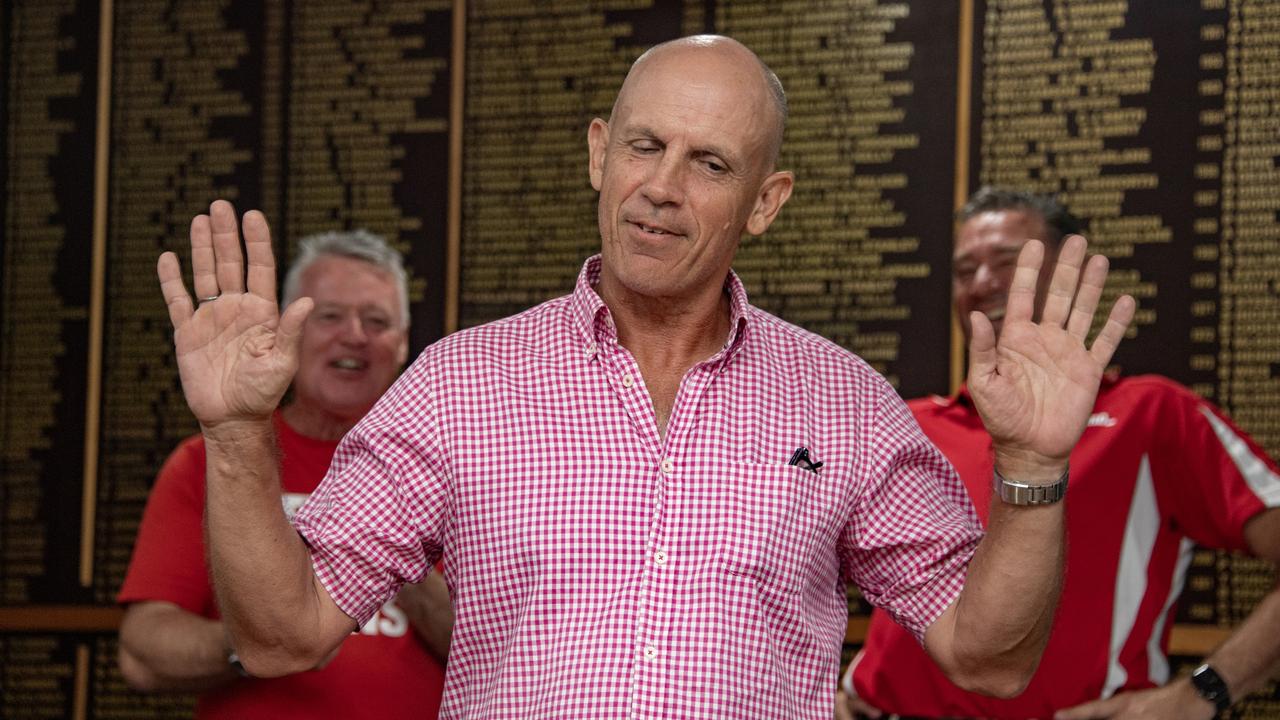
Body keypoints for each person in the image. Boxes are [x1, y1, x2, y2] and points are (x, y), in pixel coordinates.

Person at [155, 37, 1134, 718]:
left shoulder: (843, 402)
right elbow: (284, 637)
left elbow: (988, 659)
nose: (662, 185)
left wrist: (1032, 464)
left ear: (765, 202)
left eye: (709, 162)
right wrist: (239, 433)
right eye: (642, 145)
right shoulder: (460, 384)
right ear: (596, 153)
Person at [838, 187, 1280, 720]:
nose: (982, 283)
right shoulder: (902, 419)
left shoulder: (1151, 414)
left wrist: (1202, 693)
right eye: (964, 269)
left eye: (1009, 262)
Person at [119, 230, 454, 719]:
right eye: (330, 315)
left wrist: (380, 544)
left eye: (377, 320)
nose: (355, 335)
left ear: (403, 343)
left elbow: (514, 644)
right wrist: (267, 637)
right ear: (285, 330)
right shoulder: (214, 459)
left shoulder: (453, 463)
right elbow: (143, 649)